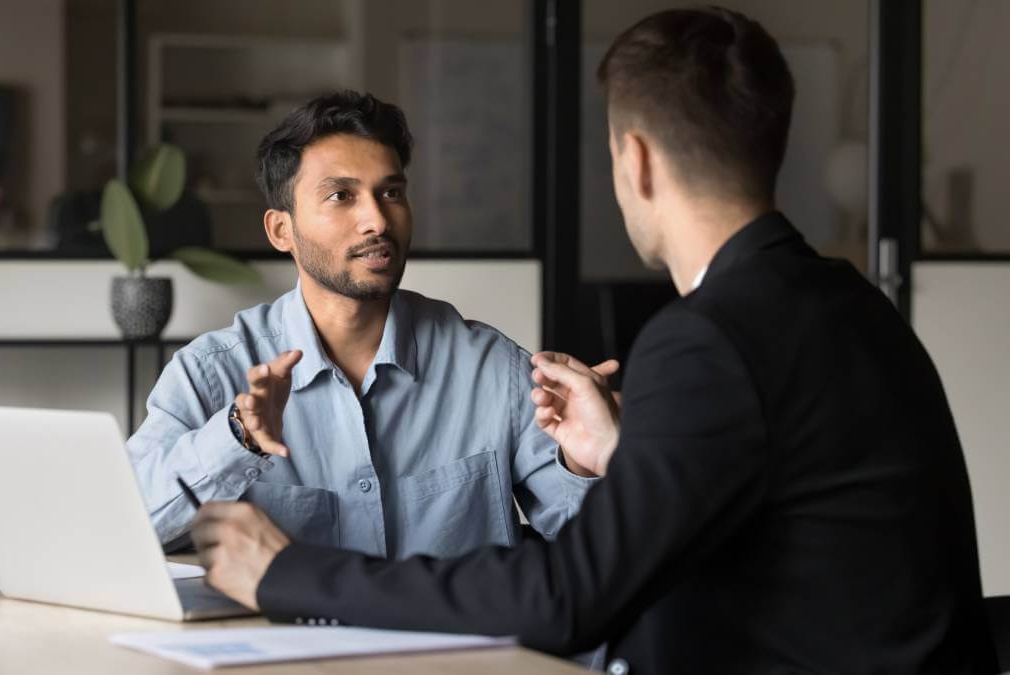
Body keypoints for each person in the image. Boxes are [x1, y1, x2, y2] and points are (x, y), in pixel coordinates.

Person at [189, 7, 997, 672]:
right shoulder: (852, 302)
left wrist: (289, 571)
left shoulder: (706, 337)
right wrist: (624, 455)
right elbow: (792, 503)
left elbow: (566, 597)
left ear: (634, 162)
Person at [127, 91, 598, 562]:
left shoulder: (491, 369)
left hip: (452, 636)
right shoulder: (211, 373)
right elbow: (127, 529)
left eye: (391, 192)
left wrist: (584, 460)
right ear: (280, 231)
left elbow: (595, 546)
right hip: (284, 637)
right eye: (341, 196)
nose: (377, 219)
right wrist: (237, 441)